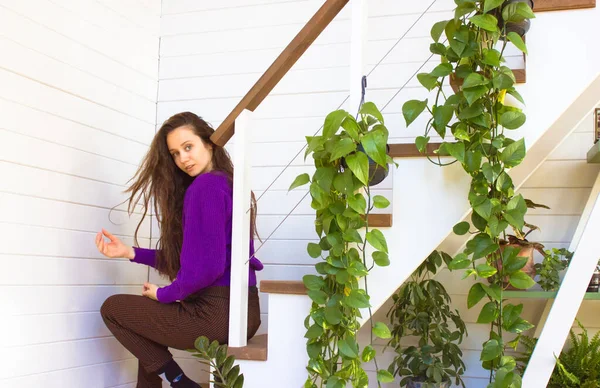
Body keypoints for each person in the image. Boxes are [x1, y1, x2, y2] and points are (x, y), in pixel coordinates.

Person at [95, 112, 263, 388]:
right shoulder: (227, 183)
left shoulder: (206, 186)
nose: (183, 159)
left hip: (216, 314)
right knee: (145, 324)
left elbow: (208, 267)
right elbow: (192, 259)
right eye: (175, 153)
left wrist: (164, 294)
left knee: (113, 308)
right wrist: (130, 252)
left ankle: (179, 382)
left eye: (188, 147)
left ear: (209, 144)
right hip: (245, 311)